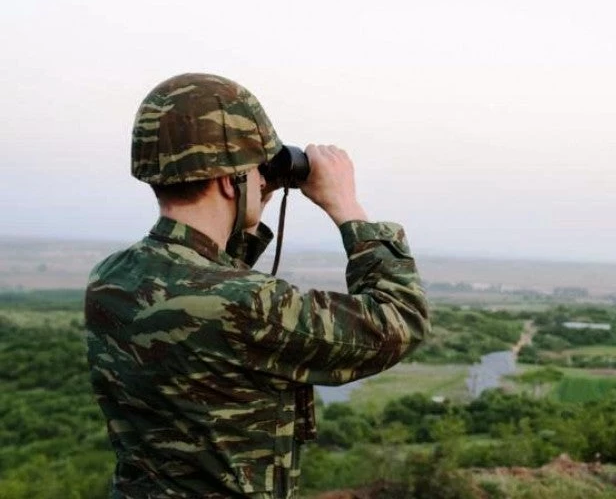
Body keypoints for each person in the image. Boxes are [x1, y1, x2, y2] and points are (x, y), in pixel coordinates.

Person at [85, 73, 431, 498]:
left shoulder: (110, 279)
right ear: (230, 181)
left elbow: (201, 282)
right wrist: (348, 208)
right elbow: (400, 321)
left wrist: (248, 202)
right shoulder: (247, 306)